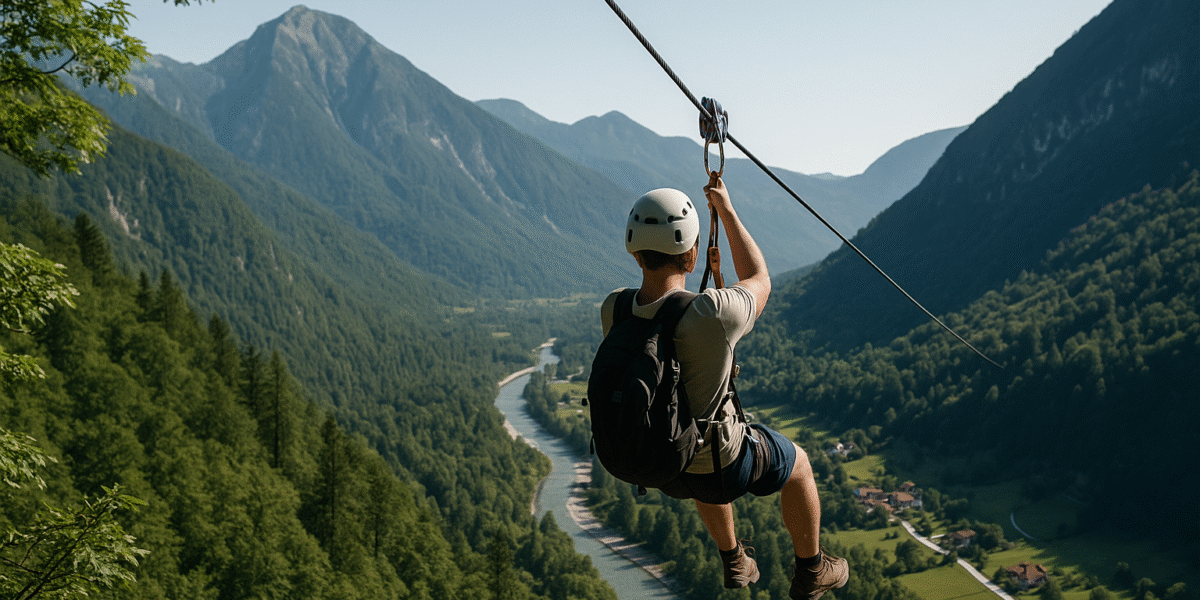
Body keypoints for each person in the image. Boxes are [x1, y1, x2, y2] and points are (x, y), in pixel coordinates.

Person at [599, 175, 849, 599]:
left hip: (661, 465)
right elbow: (758, 277)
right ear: (692, 253)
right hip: (720, 466)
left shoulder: (614, 308)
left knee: (689, 431)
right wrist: (726, 211)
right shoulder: (712, 313)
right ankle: (812, 571)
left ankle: (734, 559)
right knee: (799, 465)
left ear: (635, 252)